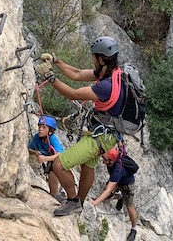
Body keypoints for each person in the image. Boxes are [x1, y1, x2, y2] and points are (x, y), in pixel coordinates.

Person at [34, 36, 126, 217]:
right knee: (87, 166)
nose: (92, 60)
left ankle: (73, 201)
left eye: (94, 57)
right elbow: (76, 74)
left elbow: (72, 93)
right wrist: (57, 61)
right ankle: (80, 203)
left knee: (58, 164)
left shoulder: (105, 86)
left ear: (101, 59)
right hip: (105, 134)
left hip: (100, 137)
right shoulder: (113, 73)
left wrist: (50, 77)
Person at [89, 147, 139, 241]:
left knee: (130, 207)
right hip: (118, 181)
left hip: (127, 186)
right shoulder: (112, 162)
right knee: (106, 198)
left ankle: (134, 229)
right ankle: (119, 196)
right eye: (103, 157)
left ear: (111, 161)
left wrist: (94, 203)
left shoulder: (118, 170)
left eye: (105, 159)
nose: (103, 161)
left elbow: (108, 190)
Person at [28, 115, 65, 199]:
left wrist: (45, 158)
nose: (40, 129)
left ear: (50, 132)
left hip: (60, 161)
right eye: (39, 126)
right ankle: (54, 194)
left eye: (43, 127)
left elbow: (60, 155)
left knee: (53, 170)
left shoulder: (52, 139)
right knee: (51, 169)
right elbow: (29, 149)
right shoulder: (37, 137)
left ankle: (55, 194)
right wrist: (35, 152)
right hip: (50, 160)